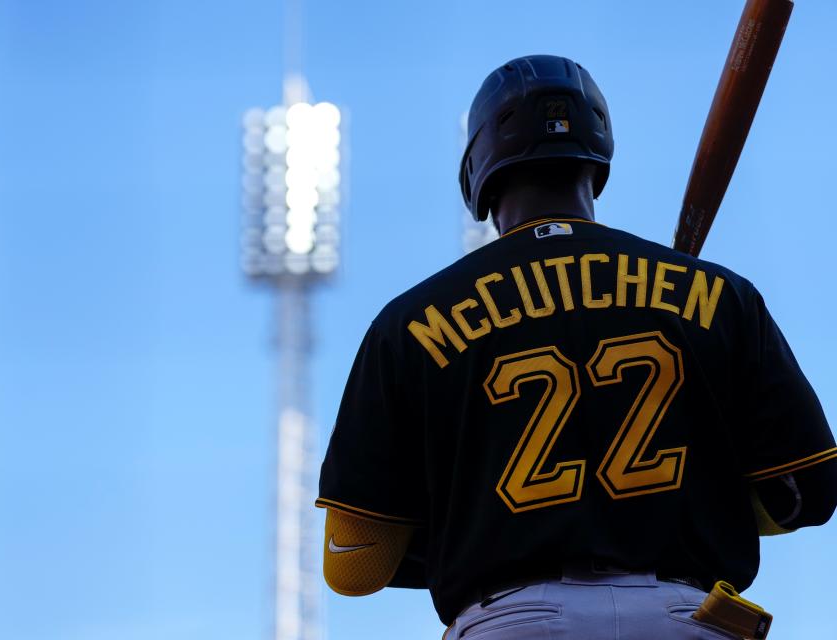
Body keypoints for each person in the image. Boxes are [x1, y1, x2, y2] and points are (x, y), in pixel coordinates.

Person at [315, 55, 837, 639]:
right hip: (687, 617)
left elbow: (353, 564)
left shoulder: (412, 321)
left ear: (478, 173)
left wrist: (479, 513)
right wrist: (698, 480)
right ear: (598, 156)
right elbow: (807, 495)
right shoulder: (717, 295)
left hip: (513, 621)